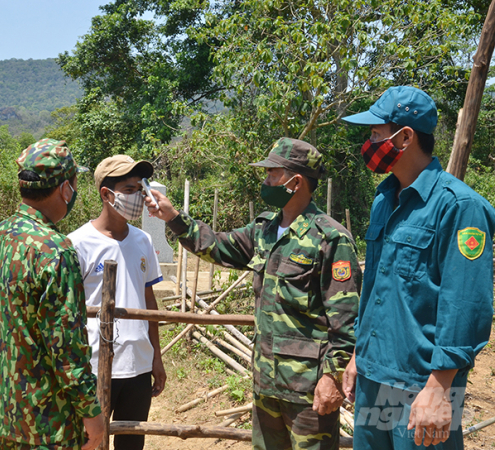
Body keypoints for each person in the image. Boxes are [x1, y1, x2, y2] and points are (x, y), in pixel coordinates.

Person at [145, 138, 361, 450]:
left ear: (295, 182)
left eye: (273, 174)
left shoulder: (330, 238)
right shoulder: (264, 229)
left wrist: (332, 379)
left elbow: (346, 321)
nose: (266, 181)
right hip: (266, 383)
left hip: (307, 390)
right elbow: (216, 246)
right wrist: (174, 218)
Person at [341, 86, 495, 449]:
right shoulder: (384, 198)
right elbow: (378, 288)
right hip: (375, 373)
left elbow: (465, 304)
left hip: (422, 384)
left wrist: (440, 386)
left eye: (376, 134)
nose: (369, 142)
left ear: (405, 137)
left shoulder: (459, 207)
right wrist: (357, 355)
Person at [0, 138, 104, 450]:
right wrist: (92, 414)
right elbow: (67, 348)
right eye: (74, 184)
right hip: (48, 423)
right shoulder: (55, 250)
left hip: (4, 413)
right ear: (65, 189)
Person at [68, 154, 166, 450]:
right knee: (91, 443)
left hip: (138, 364)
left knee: (131, 445)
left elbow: (149, 301)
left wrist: (156, 358)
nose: (139, 196)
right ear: (106, 194)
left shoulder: (142, 241)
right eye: (130, 189)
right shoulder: (77, 243)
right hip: (96, 365)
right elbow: (69, 313)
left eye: (141, 187)